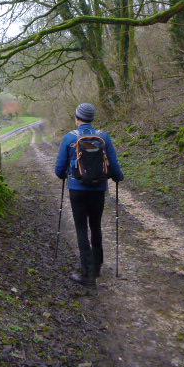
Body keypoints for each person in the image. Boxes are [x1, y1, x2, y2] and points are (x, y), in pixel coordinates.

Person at [54, 103, 124, 290]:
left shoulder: (70, 138)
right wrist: (118, 177)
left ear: (77, 118)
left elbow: (59, 169)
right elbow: (114, 164)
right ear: (92, 118)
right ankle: (97, 266)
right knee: (95, 225)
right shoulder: (103, 137)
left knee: (81, 228)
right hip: (98, 189)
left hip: (77, 190)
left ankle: (87, 275)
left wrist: (64, 175)